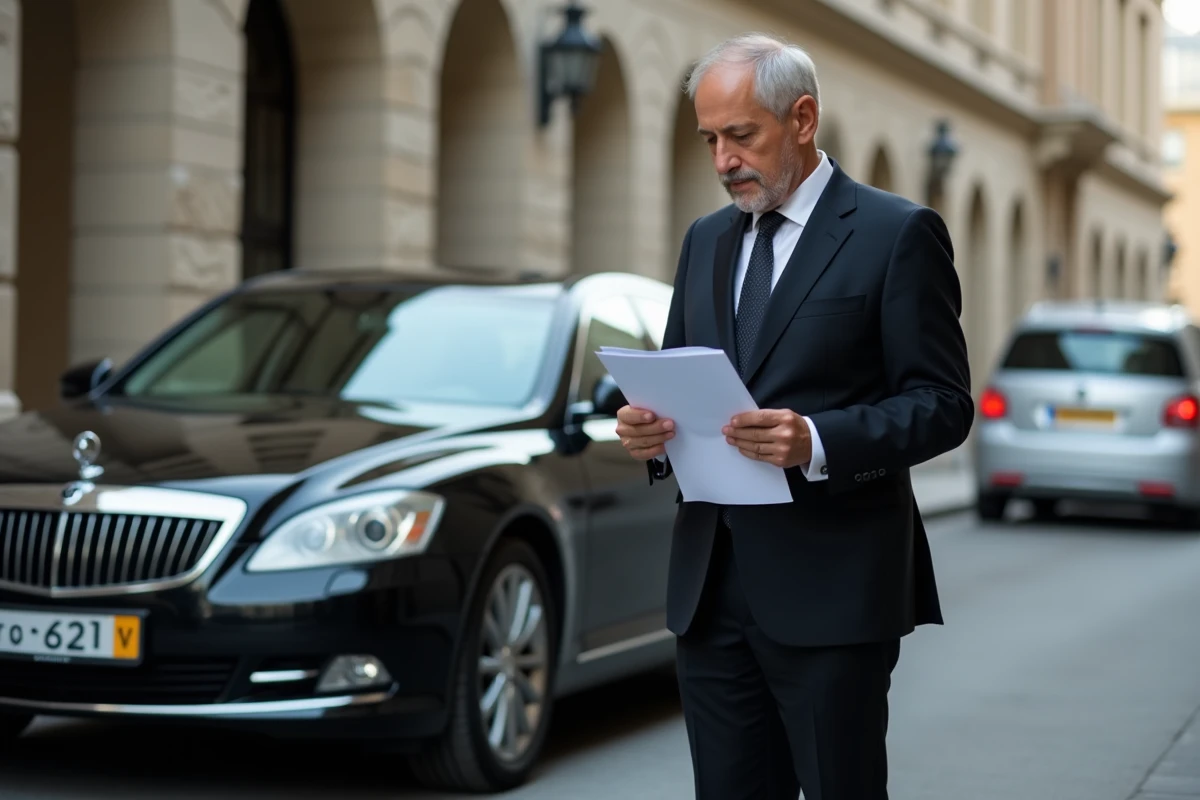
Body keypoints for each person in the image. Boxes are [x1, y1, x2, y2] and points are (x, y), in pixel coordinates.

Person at [614, 32, 974, 800]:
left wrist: (816, 440)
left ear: (803, 119)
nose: (722, 161)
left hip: (835, 590)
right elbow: (682, 380)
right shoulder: (705, 240)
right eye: (709, 138)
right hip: (709, 593)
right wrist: (650, 435)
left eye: (741, 135)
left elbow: (943, 405)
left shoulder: (895, 233)